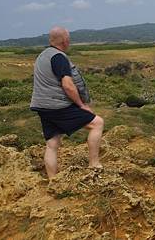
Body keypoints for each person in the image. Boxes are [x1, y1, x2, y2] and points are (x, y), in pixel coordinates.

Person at [30, 26, 105, 178]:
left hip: (41, 106)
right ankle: (94, 164)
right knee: (97, 123)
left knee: (52, 143)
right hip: (56, 105)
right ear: (65, 41)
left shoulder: (42, 56)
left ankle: (53, 179)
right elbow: (68, 85)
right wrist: (81, 105)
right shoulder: (59, 57)